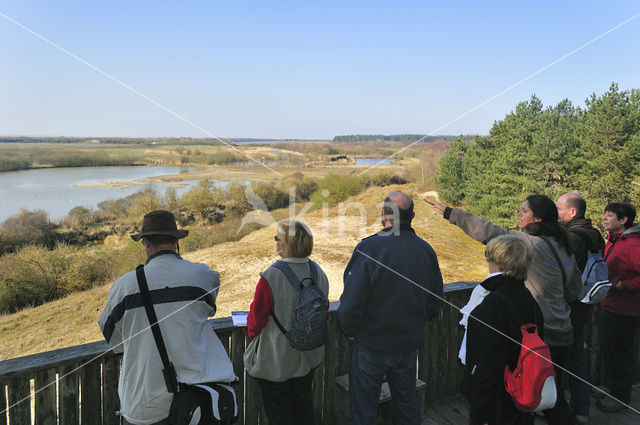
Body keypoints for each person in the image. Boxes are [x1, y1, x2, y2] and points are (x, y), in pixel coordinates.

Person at [426, 194, 581, 425]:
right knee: (549, 395)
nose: (519, 213)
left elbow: (489, 231)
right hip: (564, 333)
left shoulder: (528, 244)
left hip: (540, 335)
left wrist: (451, 213)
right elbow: (574, 290)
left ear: (537, 219)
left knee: (542, 400)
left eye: (524, 210)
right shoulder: (564, 247)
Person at [98, 210, 236, 425]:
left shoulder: (125, 286)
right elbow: (208, 310)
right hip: (199, 396)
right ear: (176, 240)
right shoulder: (202, 276)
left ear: (145, 242)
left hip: (145, 402)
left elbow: (111, 335)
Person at [339, 192, 444, 425]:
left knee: (364, 410)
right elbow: (435, 301)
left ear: (384, 214)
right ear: (413, 216)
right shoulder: (426, 251)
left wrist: (351, 331)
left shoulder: (370, 248)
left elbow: (350, 304)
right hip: (408, 345)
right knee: (406, 405)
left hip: (370, 345)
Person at [244, 220, 329, 425]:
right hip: (308, 357)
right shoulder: (318, 272)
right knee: (303, 411)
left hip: (276, 360)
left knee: (278, 415)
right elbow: (323, 307)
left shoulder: (271, 276)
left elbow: (256, 320)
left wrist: (254, 339)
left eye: (277, 238)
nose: (275, 243)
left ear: (285, 244)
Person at [465, 235, 542, 425]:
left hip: (498, 403)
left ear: (497, 263)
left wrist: (478, 414)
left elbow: (488, 365)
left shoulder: (494, 303)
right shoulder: (529, 299)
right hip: (522, 393)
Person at [556, 192, 605, 424]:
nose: (556, 213)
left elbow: (563, 275)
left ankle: (555, 408)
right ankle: (581, 410)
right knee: (578, 359)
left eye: (559, 209)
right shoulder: (595, 234)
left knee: (556, 358)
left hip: (568, 307)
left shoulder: (572, 237)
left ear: (572, 212)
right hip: (585, 304)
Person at [596, 202, 640, 412]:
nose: (605, 218)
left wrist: (625, 285)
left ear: (623, 221)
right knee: (608, 349)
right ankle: (609, 388)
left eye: (610, 215)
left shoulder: (633, 246)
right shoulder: (616, 241)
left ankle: (620, 398)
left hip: (625, 310)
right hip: (610, 305)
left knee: (621, 353)